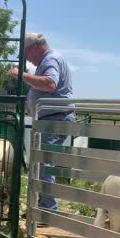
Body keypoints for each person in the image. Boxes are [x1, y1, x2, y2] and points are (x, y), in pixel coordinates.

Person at [10, 33, 74, 212]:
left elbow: (50, 84)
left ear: (34, 48)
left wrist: (21, 75)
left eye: (26, 55)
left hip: (55, 119)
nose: (28, 61)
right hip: (53, 118)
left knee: (44, 163)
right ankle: (43, 206)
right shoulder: (48, 60)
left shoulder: (50, 59)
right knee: (42, 163)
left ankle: (48, 211)